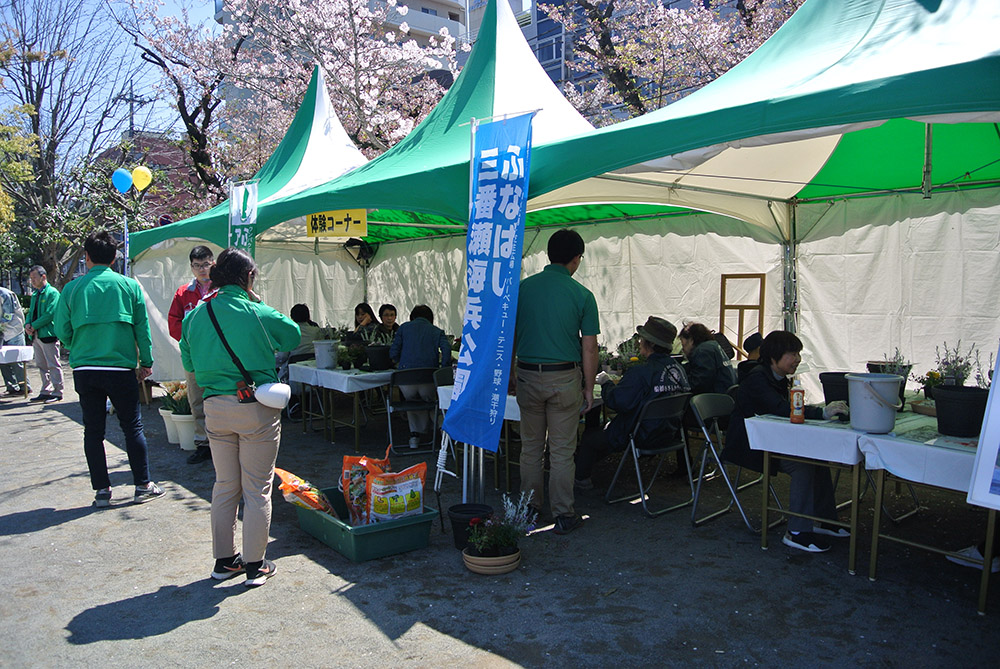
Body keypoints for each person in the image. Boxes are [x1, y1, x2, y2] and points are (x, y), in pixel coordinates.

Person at [180, 248, 300, 587]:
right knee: (257, 488)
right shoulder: (254, 310)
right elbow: (291, 334)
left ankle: (223, 561)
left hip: (215, 409)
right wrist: (257, 302)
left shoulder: (195, 316)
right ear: (248, 278)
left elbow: (189, 364)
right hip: (255, 407)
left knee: (224, 486)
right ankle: (254, 565)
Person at [54, 229, 165, 507]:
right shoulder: (129, 286)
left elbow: (61, 330)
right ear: (115, 258)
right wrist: (146, 362)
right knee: (132, 427)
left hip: (85, 368)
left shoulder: (72, 288)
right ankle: (142, 485)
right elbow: (143, 329)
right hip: (120, 368)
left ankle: (102, 492)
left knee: (93, 430)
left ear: (87, 257)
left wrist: (77, 344)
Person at [723, 330, 849, 553]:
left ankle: (823, 520)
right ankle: (797, 532)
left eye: (798, 353)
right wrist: (823, 414)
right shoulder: (757, 379)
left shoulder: (776, 377)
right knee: (804, 465)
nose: (797, 359)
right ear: (774, 357)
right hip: (750, 445)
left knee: (817, 458)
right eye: (792, 354)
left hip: (773, 441)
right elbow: (783, 409)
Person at [514, 228, 600, 534]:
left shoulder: (522, 289)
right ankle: (564, 514)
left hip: (526, 374)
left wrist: (513, 375)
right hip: (564, 378)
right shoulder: (582, 295)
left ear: (549, 255)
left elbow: (509, 336)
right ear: (576, 259)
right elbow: (589, 346)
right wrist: (588, 388)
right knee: (563, 450)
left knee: (531, 448)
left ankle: (529, 509)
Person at [575, 317, 690, 490]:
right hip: (668, 433)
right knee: (604, 434)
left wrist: (606, 383)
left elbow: (617, 402)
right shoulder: (678, 370)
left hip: (639, 434)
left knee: (590, 438)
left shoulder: (641, 372)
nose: (638, 342)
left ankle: (580, 480)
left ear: (648, 344)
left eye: (641, 339)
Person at [168, 246, 216, 465]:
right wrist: (190, 338)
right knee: (197, 401)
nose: (202, 270)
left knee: (221, 400)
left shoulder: (223, 289)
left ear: (213, 264)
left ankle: (223, 443)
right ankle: (202, 444)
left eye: (205, 264)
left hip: (220, 356)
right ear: (191, 267)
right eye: (197, 266)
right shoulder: (183, 293)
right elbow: (173, 323)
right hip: (194, 356)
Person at [389, 304, 450, 448]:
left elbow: (393, 352)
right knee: (432, 402)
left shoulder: (404, 328)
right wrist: (443, 366)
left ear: (413, 317)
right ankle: (443, 434)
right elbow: (446, 349)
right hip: (428, 379)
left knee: (412, 403)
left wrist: (399, 361)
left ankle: (414, 436)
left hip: (405, 380)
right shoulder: (437, 331)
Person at [25, 265, 64, 403]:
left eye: (34, 278)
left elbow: (50, 314)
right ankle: (45, 390)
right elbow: (31, 312)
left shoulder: (52, 293)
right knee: (41, 364)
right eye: (31, 278)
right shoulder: (35, 294)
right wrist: (27, 324)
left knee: (53, 363)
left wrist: (33, 326)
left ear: (43, 277)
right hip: (36, 335)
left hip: (48, 334)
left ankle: (58, 391)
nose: (32, 281)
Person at [679, 322, 737, 394]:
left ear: (691, 340)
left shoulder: (703, 351)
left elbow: (699, 382)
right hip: (725, 394)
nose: (683, 349)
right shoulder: (713, 345)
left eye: (683, 343)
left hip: (714, 397)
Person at [0, 285, 28, 396]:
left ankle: (25, 387)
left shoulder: (5, 294)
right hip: (2, 332)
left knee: (17, 361)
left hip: (14, 331)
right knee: (2, 361)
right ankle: (11, 387)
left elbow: (8, 315)